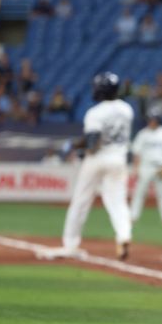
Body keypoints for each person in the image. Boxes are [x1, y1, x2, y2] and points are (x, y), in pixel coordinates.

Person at [37, 73, 134, 261]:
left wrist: (76, 146)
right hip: (119, 159)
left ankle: (71, 244)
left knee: (81, 201)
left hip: (97, 159)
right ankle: (123, 236)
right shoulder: (127, 109)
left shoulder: (95, 112)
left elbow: (93, 143)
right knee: (117, 201)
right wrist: (79, 144)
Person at [130, 108, 162, 225]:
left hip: (160, 166)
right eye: (151, 119)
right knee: (139, 192)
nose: (152, 121)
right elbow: (137, 153)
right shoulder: (142, 134)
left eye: (154, 119)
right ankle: (132, 216)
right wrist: (135, 169)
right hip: (145, 166)